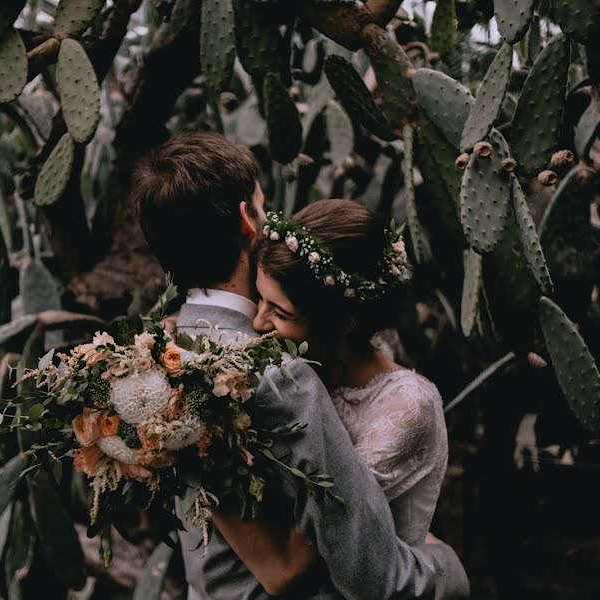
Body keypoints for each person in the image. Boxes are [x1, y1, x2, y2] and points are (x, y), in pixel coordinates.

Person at [133, 131, 468, 599]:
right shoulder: (279, 375)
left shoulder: (162, 347)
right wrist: (446, 567)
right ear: (247, 220)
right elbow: (372, 574)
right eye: (263, 205)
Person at [253, 200, 448, 546]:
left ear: (342, 323)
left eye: (280, 314)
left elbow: (315, 537)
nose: (257, 323)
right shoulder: (308, 370)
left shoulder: (407, 407)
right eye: (260, 299)